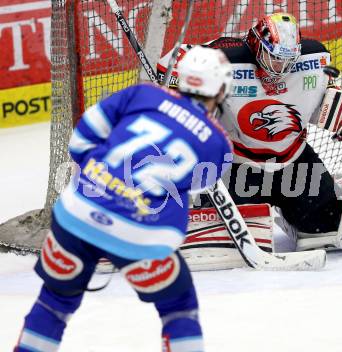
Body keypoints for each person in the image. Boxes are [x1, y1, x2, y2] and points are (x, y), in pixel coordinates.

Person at [14, 46, 233, 352]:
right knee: (178, 307)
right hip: (142, 235)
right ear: (221, 89)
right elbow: (196, 184)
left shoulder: (143, 94)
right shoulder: (219, 143)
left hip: (78, 211)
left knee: (54, 302)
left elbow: (80, 142)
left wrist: (105, 178)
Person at [157, 12, 342, 253]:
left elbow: (321, 108)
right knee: (224, 239)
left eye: (286, 60)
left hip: (295, 163)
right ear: (256, 45)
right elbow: (170, 62)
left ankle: (297, 210)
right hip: (238, 167)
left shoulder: (314, 62)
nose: (279, 67)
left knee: (327, 227)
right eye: (273, 57)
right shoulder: (226, 61)